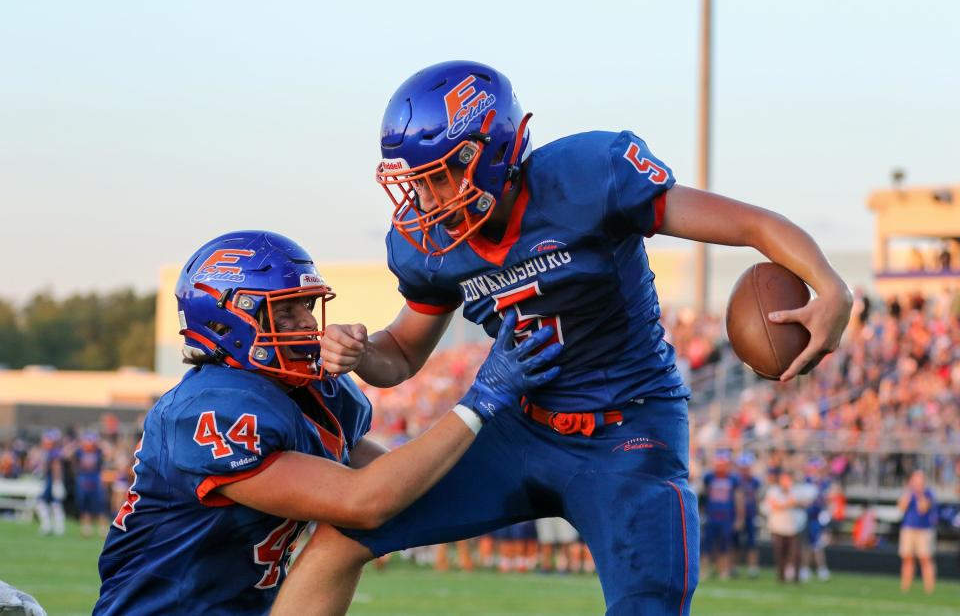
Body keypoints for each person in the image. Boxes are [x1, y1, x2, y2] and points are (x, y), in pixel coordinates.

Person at [276, 61, 853, 616]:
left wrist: (830, 284)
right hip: (519, 428)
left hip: (628, 433)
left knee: (647, 605)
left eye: (438, 176)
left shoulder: (587, 176)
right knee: (340, 539)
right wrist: (361, 353)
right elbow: (401, 354)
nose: (426, 201)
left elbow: (753, 225)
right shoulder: (427, 244)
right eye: (416, 183)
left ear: (492, 153)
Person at [93, 230, 560, 615]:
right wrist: (480, 400)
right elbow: (364, 502)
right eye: (285, 309)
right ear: (224, 318)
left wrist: (535, 463)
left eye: (305, 306)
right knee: (347, 527)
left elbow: (399, 483)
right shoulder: (208, 410)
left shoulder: (315, 392)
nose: (304, 323)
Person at [701, 452, 741, 580]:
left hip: (726, 517)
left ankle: (724, 570)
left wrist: (740, 517)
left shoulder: (733, 479)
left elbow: (738, 498)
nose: (721, 467)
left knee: (725, 545)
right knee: (707, 545)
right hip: (711, 516)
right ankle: (704, 570)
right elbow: (704, 495)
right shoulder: (709, 477)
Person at [763, 470, 807, 582]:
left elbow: (802, 502)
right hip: (778, 527)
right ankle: (781, 576)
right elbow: (775, 505)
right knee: (779, 553)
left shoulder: (797, 491)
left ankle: (796, 577)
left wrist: (788, 503)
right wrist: (789, 503)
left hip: (794, 528)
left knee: (795, 554)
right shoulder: (773, 491)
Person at [898, 469, 937, 593]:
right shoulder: (908, 493)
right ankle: (905, 587)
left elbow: (923, 508)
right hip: (908, 528)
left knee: (925, 558)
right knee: (907, 558)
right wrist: (909, 494)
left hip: (924, 530)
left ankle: (929, 588)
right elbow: (901, 507)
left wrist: (919, 494)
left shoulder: (928, 493)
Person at [733, 452, 761, 578]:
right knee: (735, 543)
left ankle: (752, 568)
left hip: (751, 515)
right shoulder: (735, 480)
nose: (744, 470)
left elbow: (757, 498)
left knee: (752, 543)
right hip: (735, 515)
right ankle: (734, 567)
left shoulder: (755, 481)